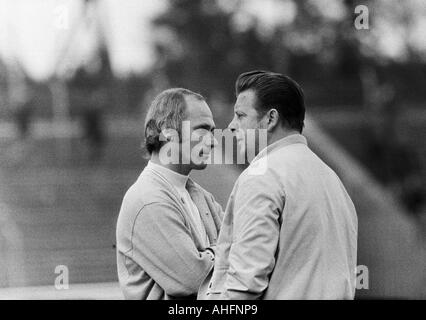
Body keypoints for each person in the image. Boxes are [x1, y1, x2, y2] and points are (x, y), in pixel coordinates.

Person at [200, 70, 358, 300]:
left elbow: (243, 287)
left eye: (241, 115)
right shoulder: (332, 180)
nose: (232, 126)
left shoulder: (262, 175)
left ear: (270, 119)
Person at [116, 88, 223, 299]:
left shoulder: (200, 195)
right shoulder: (148, 199)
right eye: (202, 130)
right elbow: (194, 280)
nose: (213, 141)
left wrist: (211, 255)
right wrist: (226, 250)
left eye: (212, 131)